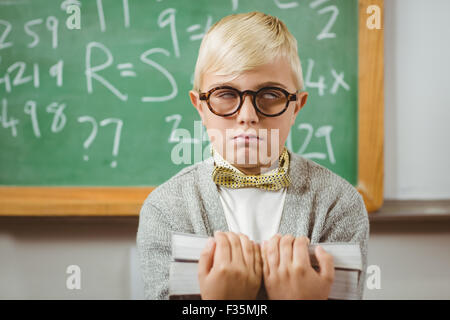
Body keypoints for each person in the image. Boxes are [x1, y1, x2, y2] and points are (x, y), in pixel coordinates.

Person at [137, 11, 369, 300]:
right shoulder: (166, 209)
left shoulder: (338, 203)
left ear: (296, 107)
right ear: (200, 106)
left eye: (270, 94)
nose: (248, 117)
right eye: (225, 94)